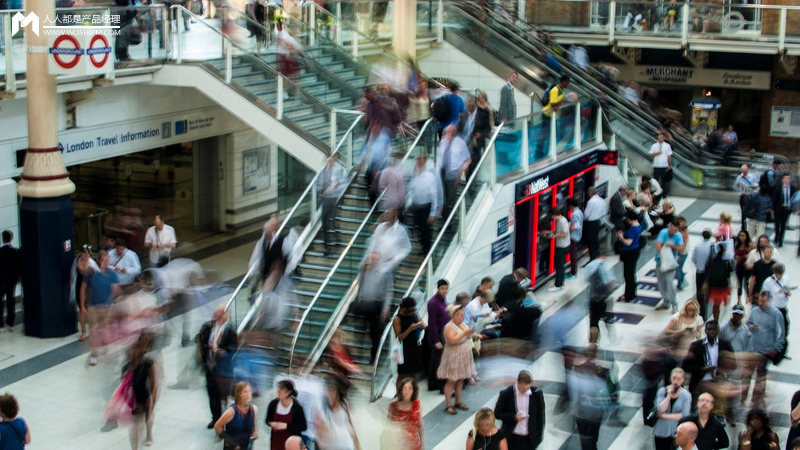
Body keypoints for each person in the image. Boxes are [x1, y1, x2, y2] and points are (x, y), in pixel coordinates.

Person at [198, 305, 239, 429]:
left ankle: (224, 418)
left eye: (221, 313)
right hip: (210, 366)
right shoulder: (208, 327)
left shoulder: (230, 331)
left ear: (227, 315)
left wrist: (223, 352)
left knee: (222, 395)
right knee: (211, 394)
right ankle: (215, 418)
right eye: (216, 313)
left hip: (223, 370)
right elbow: (200, 340)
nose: (217, 316)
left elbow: (234, 349)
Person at [744, 292, 785, 410]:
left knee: (760, 377)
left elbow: (781, 334)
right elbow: (748, 323)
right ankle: (743, 398)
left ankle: (756, 401)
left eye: (763, 301)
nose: (760, 303)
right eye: (760, 301)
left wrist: (774, 349)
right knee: (747, 375)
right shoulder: (755, 310)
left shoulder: (776, 314)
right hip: (752, 349)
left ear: (769, 301)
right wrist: (752, 327)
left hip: (765, 351)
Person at [81, 250, 121, 366]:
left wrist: (115, 300)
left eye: (107, 260)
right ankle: (94, 355)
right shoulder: (91, 273)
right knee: (93, 331)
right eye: (104, 260)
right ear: (98, 260)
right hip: (94, 307)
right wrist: (83, 306)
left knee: (106, 332)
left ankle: (106, 349)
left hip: (108, 307)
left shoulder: (112, 274)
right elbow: (83, 289)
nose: (106, 262)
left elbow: (115, 290)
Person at [438, 304, 477, 415]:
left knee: (460, 379)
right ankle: (448, 404)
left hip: (463, 354)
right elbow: (452, 340)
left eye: (463, 315)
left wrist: (472, 333)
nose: (462, 318)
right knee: (452, 380)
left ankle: (458, 401)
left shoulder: (463, 324)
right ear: (453, 316)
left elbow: (467, 336)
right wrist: (465, 333)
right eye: (460, 315)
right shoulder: (449, 326)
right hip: (454, 354)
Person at [494, 370, 545, 450]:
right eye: (523, 388)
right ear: (517, 382)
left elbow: (541, 417)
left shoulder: (537, 394)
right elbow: (497, 413)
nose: (525, 391)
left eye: (527, 388)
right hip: (512, 438)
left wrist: (538, 438)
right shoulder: (506, 394)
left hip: (530, 438)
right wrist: (513, 417)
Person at [682, 320, 733, 399]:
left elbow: (732, 363)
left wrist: (722, 373)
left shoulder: (725, 345)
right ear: (705, 331)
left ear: (718, 331)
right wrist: (702, 369)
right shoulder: (696, 346)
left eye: (714, 329)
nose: (711, 332)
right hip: (700, 383)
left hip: (719, 384)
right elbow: (685, 366)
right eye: (709, 329)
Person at [126, 333, 158, 449]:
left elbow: (154, 383)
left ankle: (149, 434)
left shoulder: (148, 363)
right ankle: (134, 447)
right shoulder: (131, 363)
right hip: (135, 395)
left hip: (145, 394)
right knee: (135, 423)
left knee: (148, 418)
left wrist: (152, 399)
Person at [407, 153, 441, 256]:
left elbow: (433, 195)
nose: (417, 163)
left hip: (426, 207)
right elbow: (411, 188)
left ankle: (428, 251)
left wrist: (432, 213)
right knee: (418, 229)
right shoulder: (415, 175)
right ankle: (423, 248)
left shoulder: (429, 176)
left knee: (426, 231)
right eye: (417, 161)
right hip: (416, 206)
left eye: (419, 161)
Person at [652, 368, 692, 450]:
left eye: (679, 379)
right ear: (670, 378)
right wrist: (669, 396)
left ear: (683, 380)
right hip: (661, 430)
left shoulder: (686, 395)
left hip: (676, 431)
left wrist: (663, 416)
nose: (676, 381)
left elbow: (684, 415)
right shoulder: (662, 391)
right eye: (674, 378)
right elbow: (660, 409)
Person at [437, 124, 472, 218]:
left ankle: (449, 217)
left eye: (450, 133)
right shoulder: (442, 142)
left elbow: (468, 159)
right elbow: (439, 157)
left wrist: (461, 171)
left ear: (454, 133)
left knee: (450, 197)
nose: (448, 135)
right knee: (443, 196)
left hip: (454, 173)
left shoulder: (460, 143)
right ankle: (446, 216)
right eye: (447, 133)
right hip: (442, 171)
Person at [315, 379, 360, 450]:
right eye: (328, 392)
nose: (329, 395)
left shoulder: (344, 405)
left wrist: (357, 445)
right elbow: (319, 432)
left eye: (332, 392)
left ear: (337, 394)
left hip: (345, 445)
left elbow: (350, 425)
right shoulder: (322, 408)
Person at [214, 381, 259, 450]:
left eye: (249, 391)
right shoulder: (231, 411)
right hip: (232, 447)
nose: (248, 394)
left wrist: (254, 432)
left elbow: (253, 426)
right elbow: (217, 426)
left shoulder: (254, 409)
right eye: (245, 392)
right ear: (238, 394)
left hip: (246, 446)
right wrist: (230, 441)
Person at [317, 153, 347, 255]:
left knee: (332, 219)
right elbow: (317, 185)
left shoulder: (338, 170)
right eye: (328, 160)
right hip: (326, 199)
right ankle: (326, 247)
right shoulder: (322, 171)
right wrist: (321, 189)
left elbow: (344, 182)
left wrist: (335, 188)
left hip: (334, 198)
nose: (330, 162)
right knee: (324, 222)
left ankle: (336, 236)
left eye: (332, 160)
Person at [266, 380, 307, 450]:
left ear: (289, 392)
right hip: (276, 441)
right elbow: (267, 420)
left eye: (282, 388)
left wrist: (286, 426)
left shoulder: (297, 408)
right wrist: (271, 424)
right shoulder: (273, 404)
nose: (278, 390)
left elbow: (303, 426)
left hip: (291, 444)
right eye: (278, 388)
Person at [384, 378, 424, 450]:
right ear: (401, 390)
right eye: (404, 388)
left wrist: (422, 444)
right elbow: (387, 426)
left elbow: (420, 426)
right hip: (397, 445)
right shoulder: (393, 406)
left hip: (413, 445)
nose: (407, 391)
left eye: (410, 388)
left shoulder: (417, 405)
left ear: (413, 391)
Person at [655, 221, 685, 313]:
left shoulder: (678, 236)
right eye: (671, 227)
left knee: (669, 281)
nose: (672, 230)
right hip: (660, 261)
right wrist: (662, 255)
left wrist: (672, 245)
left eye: (675, 229)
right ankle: (666, 301)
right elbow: (658, 245)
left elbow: (681, 249)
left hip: (671, 263)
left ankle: (674, 303)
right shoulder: (663, 232)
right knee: (661, 282)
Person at [392, 297, 426, 376]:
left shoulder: (414, 313)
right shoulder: (397, 319)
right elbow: (399, 337)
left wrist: (420, 324)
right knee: (402, 374)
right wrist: (410, 329)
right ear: (404, 308)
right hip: (404, 349)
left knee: (414, 373)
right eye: (410, 310)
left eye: (414, 309)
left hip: (414, 345)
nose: (412, 312)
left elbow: (423, 325)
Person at [70, 245, 98, 341]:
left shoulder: (92, 264)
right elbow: (73, 275)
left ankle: (93, 329)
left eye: (88, 253)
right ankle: (83, 332)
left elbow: (97, 275)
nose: (86, 255)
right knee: (82, 309)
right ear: (81, 253)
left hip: (90, 286)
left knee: (90, 309)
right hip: (79, 285)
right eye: (84, 253)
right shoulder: (77, 262)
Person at [427, 279, 450, 392]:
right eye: (442, 288)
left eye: (446, 288)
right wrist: (436, 340)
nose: (444, 291)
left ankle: (432, 384)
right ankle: (443, 387)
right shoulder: (433, 303)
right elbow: (432, 323)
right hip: (437, 334)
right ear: (438, 288)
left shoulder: (443, 300)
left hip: (443, 333)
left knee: (434, 360)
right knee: (441, 361)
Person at [540, 208, 570, 292]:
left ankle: (558, 285)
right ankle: (561, 283)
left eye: (551, 216)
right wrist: (547, 231)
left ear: (554, 215)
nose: (551, 218)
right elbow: (557, 230)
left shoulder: (561, 222)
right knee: (560, 266)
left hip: (562, 246)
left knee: (559, 266)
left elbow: (564, 233)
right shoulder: (562, 219)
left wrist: (554, 236)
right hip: (564, 245)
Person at [618, 210, 643, 302]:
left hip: (630, 252)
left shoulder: (633, 228)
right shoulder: (638, 225)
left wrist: (621, 238)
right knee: (631, 273)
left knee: (628, 274)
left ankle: (628, 295)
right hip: (635, 250)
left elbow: (628, 242)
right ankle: (631, 292)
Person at [0, 230, 21, 332]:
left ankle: (0, 324)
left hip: (1, 280)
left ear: (3, 239)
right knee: (10, 301)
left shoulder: (0, 252)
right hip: (11, 280)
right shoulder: (15, 251)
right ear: (11, 238)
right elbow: (18, 267)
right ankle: (10, 322)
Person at [692, 229, 714, 315]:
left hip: (700, 271)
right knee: (708, 291)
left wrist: (698, 263)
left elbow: (693, 259)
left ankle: (701, 312)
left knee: (699, 293)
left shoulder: (697, 246)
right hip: (710, 273)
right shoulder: (712, 246)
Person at [582, 187, 606, 263]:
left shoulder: (591, 202)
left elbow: (586, 214)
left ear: (590, 193)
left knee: (591, 241)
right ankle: (597, 254)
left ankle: (592, 257)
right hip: (598, 222)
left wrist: (585, 219)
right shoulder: (601, 200)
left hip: (590, 223)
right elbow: (604, 212)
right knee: (595, 239)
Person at [773, 174, 796, 247]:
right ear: (783, 179)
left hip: (786, 209)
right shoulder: (778, 188)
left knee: (783, 225)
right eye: (785, 178)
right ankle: (776, 237)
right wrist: (773, 209)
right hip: (778, 208)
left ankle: (780, 240)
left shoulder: (792, 188)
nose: (787, 180)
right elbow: (774, 199)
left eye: (788, 179)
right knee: (777, 225)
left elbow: (794, 199)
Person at [735, 164, 760, 230]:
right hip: (743, 196)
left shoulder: (752, 177)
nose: (743, 173)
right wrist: (737, 186)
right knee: (743, 211)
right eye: (742, 171)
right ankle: (743, 225)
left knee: (752, 211)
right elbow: (736, 187)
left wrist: (752, 188)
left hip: (751, 195)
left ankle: (753, 225)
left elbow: (757, 186)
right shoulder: (739, 177)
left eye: (744, 171)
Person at [735, 230, 756, 303]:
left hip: (747, 267)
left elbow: (755, 253)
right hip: (739, 266)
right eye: (740, 236)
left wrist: (748, 256)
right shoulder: (737, 244)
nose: (741, 237)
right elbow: (734, 254)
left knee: (746, 283)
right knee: (739, 283)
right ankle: (738, 300)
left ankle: (748, 298)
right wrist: (736, 257)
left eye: (743, 236)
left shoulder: (750, 245)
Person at [649, 132, 673, 197]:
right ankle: (655, 193)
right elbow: (651, 154)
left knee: (664, 181)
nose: (660, 138)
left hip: (664, 165)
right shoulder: (654, 146)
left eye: (662, 137)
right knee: (655, 180)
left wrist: (669, 164)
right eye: (659, 137)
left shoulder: (667, 146)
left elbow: (669, 155)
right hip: (656, 165)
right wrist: (657, 153)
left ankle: (664, 194)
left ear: (664, 138)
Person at [567, 198, 584, 279]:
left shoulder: (574, 214)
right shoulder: (579, 211)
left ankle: (573, 272)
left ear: (571, 205)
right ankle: (574, 270)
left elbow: (572, 226)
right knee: (573, 253)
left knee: (573, 254)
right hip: (578, 235)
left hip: (573, 236)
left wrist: (566, 231)